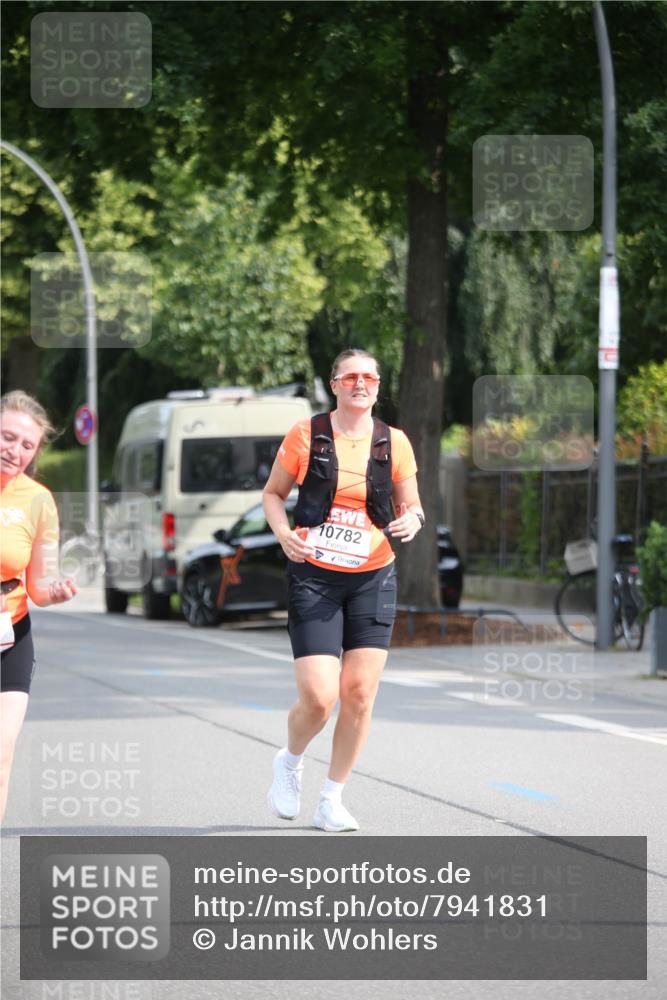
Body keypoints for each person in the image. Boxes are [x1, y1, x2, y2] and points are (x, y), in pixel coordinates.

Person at [262, 349, 424, 832]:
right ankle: (289, 762)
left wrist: (413, 519)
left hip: (374, 575)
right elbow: (273, 494)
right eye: (351, 376)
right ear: (334, 384)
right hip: (315, 576)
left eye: (369, 377)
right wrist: (283, 532)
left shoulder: (394, 443)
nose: (361, 384)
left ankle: (332, 798)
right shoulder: (305, 434)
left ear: (377, 386)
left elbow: (412, 503)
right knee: (319, 697)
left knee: (359, 694)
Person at [1, 391, 77, 821]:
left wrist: (56, 591)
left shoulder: (39, 500)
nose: (16, 451)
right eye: (7, 438)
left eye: (26, 445)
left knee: (1, 755)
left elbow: (39, 586)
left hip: (11, 635)